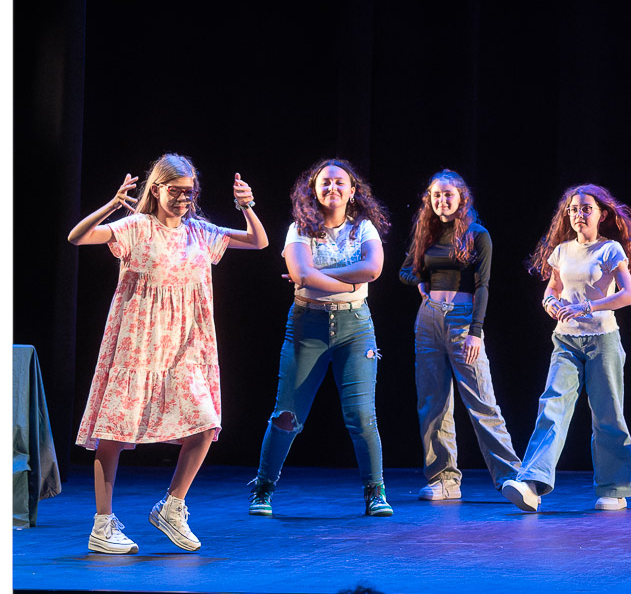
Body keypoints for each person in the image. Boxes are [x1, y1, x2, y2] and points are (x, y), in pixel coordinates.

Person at [69, 154, 268, 553]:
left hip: (187, 346)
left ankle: (173, 506)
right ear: (156, 189)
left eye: (188, 191)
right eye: (174, 190)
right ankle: (102, 524)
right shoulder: (137, 227)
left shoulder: (199, 231)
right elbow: (77, 237)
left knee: (206, 423)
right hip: (137, 342)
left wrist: (247, 207)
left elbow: (258, 241)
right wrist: (110, 206)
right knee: (112, 430)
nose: (182, 198)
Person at [249, 158, 393, 518]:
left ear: (353, 190)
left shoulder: (364, 229)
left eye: (340, 183)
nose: (332, 188)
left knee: (362, 416)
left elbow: (373, 269)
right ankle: (263, 488)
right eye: (325, 183)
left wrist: (316, 273)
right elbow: (301, 274)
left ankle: (375, 492)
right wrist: (343, 280)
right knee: (286, 415)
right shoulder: (300, 228)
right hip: (306, 325)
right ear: (313, 190)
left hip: (356, 327)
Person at [506, 183, 631, 511]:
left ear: (602, 214)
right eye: (573, 209)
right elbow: (553, 288)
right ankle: (531, 482)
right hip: (565, 340)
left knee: (607, 415)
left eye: (586, 208)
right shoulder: (562, 250)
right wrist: (550, 302)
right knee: (552, 407)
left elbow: (629, 295)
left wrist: (587, 307)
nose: (578, 214)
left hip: (603, 341)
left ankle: (614, 488)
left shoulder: (611, 249)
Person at [397, 170, 522, 506]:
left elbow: (483, 286)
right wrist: (420, 282)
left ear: (462, 197)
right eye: (436, 195)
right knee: (433, 402)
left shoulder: (478, 235)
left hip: (463, 321)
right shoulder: (427, 232)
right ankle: (444, 479)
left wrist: (476, 333)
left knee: (481, 401)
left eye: (448, 194)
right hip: (428, 320)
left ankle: (512, 477)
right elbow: (406, 269)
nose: (442, 200)